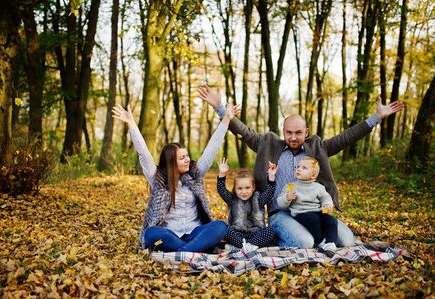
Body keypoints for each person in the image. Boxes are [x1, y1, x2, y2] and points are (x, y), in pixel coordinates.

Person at [197, 85, 404, 248]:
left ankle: (313, 236)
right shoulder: (268, 144)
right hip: (281, 214)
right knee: (305, 243)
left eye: (298, 133)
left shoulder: (316, 147)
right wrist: (219, 108)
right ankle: (278, 238)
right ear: (283, 131)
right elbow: (244, 130)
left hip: (313, 211)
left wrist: (376, 118)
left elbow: (345, 138)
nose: (293, 137)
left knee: (348, 242)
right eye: (289, 133)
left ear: (306, 132)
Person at [112, 102, 241, 252]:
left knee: (220, 226)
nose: (187, 160)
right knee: (151, 233)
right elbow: (144, 154)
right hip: (170, 234)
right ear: (171, 162)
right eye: (182, 158)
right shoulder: (158, 179)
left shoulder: (195, 174)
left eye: (187, 156)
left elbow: (212, 149)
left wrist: (226, 119)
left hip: (195, 233)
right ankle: (194, 250)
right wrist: (131, 124)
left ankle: (183, 252)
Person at [276, 156, 338, 251]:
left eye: (304, 168)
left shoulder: (318, 187)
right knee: (312, 219)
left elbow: (326, 197)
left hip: (317, 211)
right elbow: (280, 202)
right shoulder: (290, 186)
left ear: (313, 175)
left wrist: (327, 204)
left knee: (332, 220)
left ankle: (330, 243)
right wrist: (287, 198)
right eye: (298, 166)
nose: (299, 169)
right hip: (301, 213)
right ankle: (319, 241)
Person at [217, 158, 277, 250]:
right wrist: (222, 173)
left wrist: (271, 176)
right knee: (224, 229)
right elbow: (221, 190)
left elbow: (269, 192)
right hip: (237, 234)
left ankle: (244, 247)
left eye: (247, 188)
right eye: (240, 188)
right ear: (235, 189)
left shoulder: (258, 199)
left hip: (256, 234)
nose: (244, 192)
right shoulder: (232, 199)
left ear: (253, 188)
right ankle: (247, 246)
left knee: (270, 231)